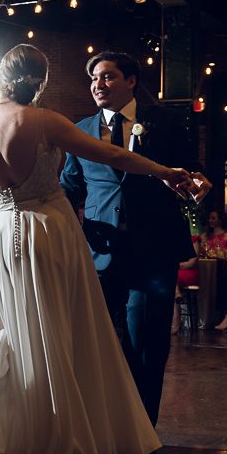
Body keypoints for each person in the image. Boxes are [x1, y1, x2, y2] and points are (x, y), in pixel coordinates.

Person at [0, 44, 190, 454]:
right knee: (63, 331)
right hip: (47, 233)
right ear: (39, 81)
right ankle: (65, 430)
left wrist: (4, 197)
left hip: (4, 233)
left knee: (13, 330)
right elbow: (111, 154)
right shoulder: (43, 121)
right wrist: (165, 171)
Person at [59, 50, 209, 426]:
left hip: (153, 251)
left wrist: (199, 184)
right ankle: (100, 424)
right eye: (94, 78)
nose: (98, 84)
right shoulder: (80, 130)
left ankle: (140, 429)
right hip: (101, 253)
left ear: (130, 81)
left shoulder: (167, 122)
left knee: (147, 341)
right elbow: (69, 188)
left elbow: (193, 172)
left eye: (107, 76)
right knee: (94, 343)